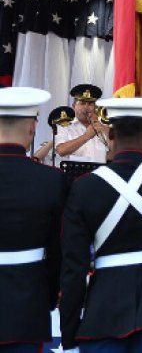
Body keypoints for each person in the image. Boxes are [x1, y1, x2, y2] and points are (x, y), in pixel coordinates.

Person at [59, 97, 142, 353]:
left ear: (111, 136)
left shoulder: (86, 186)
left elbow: (73, 265)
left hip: (104, 312)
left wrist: (69, 331)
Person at [0, 87, 66, 353]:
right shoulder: (51, 180)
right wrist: (50, 296)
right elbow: (58, 247)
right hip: (27, 303)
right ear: (32, 127)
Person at [54, 84, 109, 164]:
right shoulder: (63, 125)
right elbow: (61, 150)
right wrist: (87, 136)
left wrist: (104, 129)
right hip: (73, 175)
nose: (86, 107)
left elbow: (115, 151)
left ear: (96, 107)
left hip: (98, 174)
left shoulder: (103, 125)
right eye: (82, 103)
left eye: (90, 103)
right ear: (74, 106)